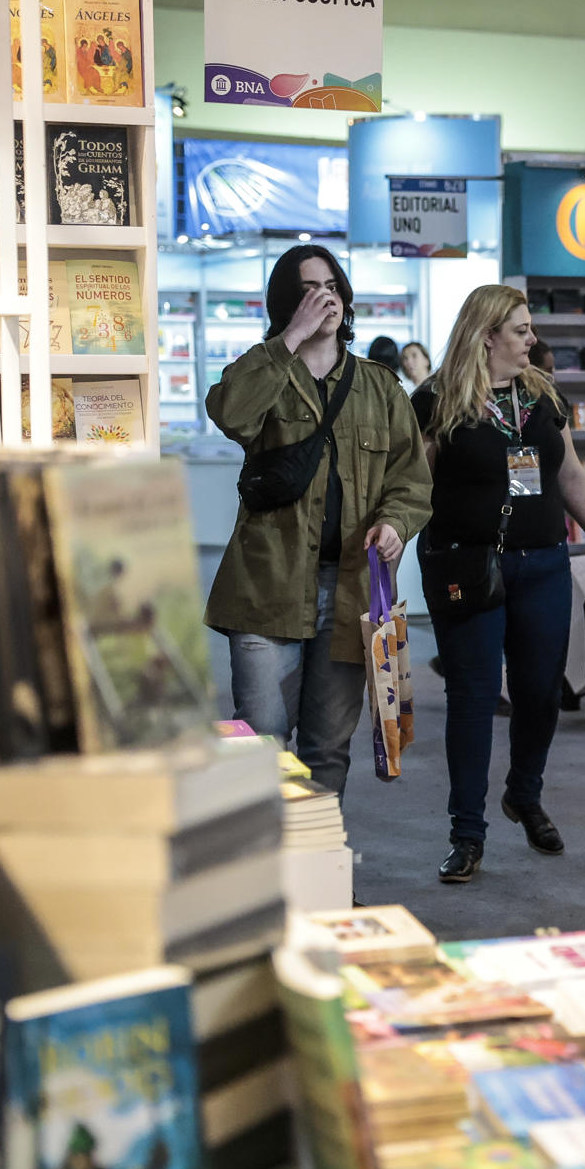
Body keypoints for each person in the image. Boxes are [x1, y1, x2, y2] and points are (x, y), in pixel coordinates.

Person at [413, 285, 585, 884]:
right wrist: (387, 546)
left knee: (540, 693)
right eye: (520, 330)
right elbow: (412, 486)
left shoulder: (543, 396)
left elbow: (570, 476)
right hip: (467, 569)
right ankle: (467, 833)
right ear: (486, 336)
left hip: (542, 566)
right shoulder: (436, 400)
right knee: (474, 698)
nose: (532, 339)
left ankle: (524, 793)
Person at [205, 245, 432, 800]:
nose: (324, 298)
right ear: (287, 303)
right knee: (262, 740)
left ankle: (318, 853)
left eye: (331, 286)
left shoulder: (380, 386)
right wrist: (289, 339)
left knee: (327, 748)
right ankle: (268, 853)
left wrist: (395, 523)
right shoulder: (264, 370)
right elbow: (229, 413)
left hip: (353, 590)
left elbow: (410, 479)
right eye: (309, 290)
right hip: (266, 588)